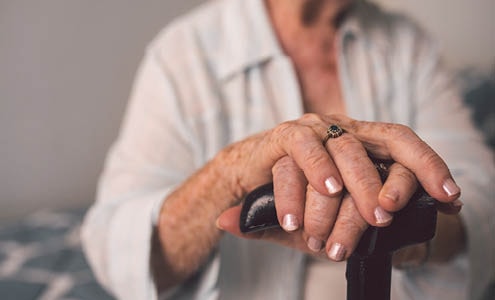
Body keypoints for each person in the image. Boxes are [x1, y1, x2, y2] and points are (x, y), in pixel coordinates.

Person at [81, 0, 495, 299]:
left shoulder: (409, 46)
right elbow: (116, 248)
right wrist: (231, 173)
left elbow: (481, 201)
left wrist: (405, 223)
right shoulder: (182, 55)